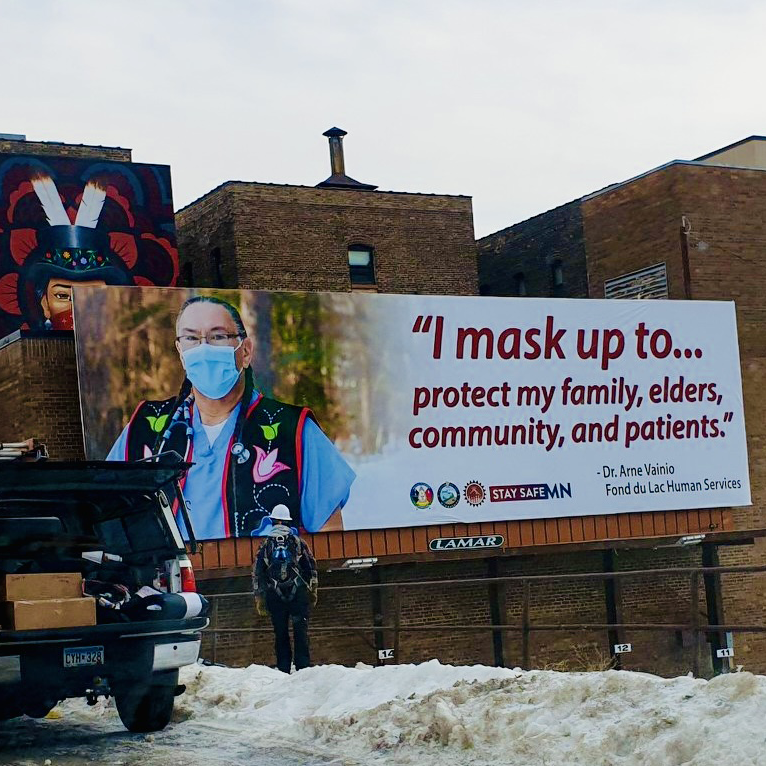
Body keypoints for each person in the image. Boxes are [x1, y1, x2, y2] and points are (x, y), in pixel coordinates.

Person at [106, 294, 356, 538]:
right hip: (167, 580)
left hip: (263, 580)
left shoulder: (295, 431)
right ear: (181, 352)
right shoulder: (144, 429)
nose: (204, 349)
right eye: (192, 338)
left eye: (218, 336)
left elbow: (330, 543)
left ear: (245, 351)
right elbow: (107, 520)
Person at [252, 504, 318, 673]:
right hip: (298, 594)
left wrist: (260, 598)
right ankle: (303, 668)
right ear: (288, 523)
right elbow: (310, 567)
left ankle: (283, 668)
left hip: (275, 595)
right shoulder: (298, 543)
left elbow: (258, 572)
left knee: (280, 634)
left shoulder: (265, 545)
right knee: (300, 632)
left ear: (273, 521)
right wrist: (313, 590)